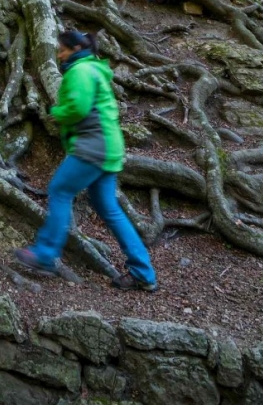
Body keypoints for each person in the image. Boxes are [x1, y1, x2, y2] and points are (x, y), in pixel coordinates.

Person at [14, 29, 157, 291]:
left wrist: (56, 111)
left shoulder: (80, 71)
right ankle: (143, 272)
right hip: (109, 148)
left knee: (59, 190)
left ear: (76, 48)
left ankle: (45, 254)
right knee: (108, 208)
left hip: (93, 147)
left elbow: (77, 109)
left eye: (63, 50)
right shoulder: (95, 69)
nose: (59, 55)